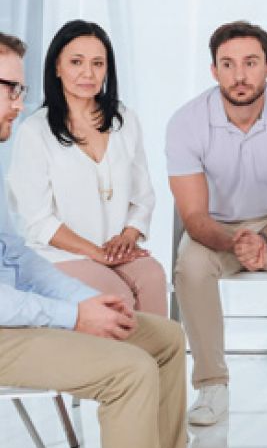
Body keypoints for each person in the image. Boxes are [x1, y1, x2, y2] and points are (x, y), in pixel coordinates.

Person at [0, 32, 243, 448]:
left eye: (20, 92)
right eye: (9, 91)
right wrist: (71, 311)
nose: (18, 106)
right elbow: (32, 244)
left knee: (161, 335)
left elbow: (17, 259)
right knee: (127, 366)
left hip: (22, 313)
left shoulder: (120, 120)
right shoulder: (37, 134)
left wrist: (81, 302)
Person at [167, 20, 267, 428]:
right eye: (228, 64)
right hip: (214, 225)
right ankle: (211, 385)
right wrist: (235, 240)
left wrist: (265, 240)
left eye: (250, 62)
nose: (239, 75)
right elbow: (194, 216)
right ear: (213, 70)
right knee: (190, 266)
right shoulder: (186, 122)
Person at [8, 20, 167, 317]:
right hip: (59, 256)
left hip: (116, 249)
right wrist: (96, 254)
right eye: (76, 62)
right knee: (117, 297)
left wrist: (128, 237)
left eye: (97, 63)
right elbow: (38, 219)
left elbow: (143, 196)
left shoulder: (125, 120)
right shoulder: (35, 131)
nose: (88, 73)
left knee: (153, 278)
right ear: (57, 67)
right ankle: (130, 365)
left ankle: (161, 363)